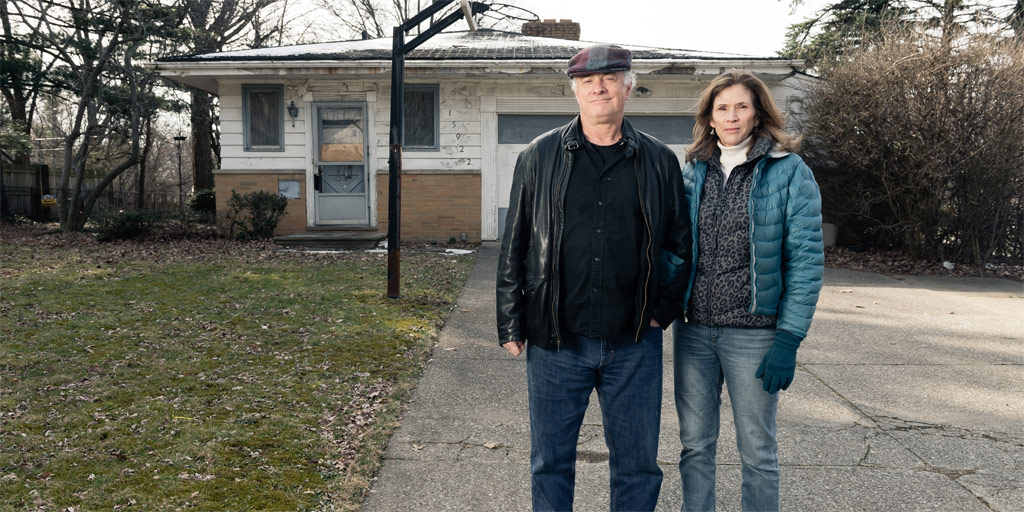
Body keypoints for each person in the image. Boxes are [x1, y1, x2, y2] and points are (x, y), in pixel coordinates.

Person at [496, 44, 692, 511]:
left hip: (634, 344)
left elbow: (679, 246)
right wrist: (510, 321)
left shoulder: (660, 160)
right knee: (550, 462)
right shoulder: (539, 156)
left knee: (638, 465)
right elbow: (515, 244)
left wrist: (661, 312)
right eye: (588, 81)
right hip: (555, 341)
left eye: (609, 79)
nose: (598, 87)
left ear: (628, 86)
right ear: (576, 91)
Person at [669, 70, 824, 511]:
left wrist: (789, 338)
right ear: (710, 117)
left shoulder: (789, 170)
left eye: (741, 106)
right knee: (695, 445)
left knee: (757, 452)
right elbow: (675, 248)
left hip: (755, 336)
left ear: (757, 113)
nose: (732, 116)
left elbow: (807, 260)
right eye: (722, 108)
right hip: (694, 332)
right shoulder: (695, 169)